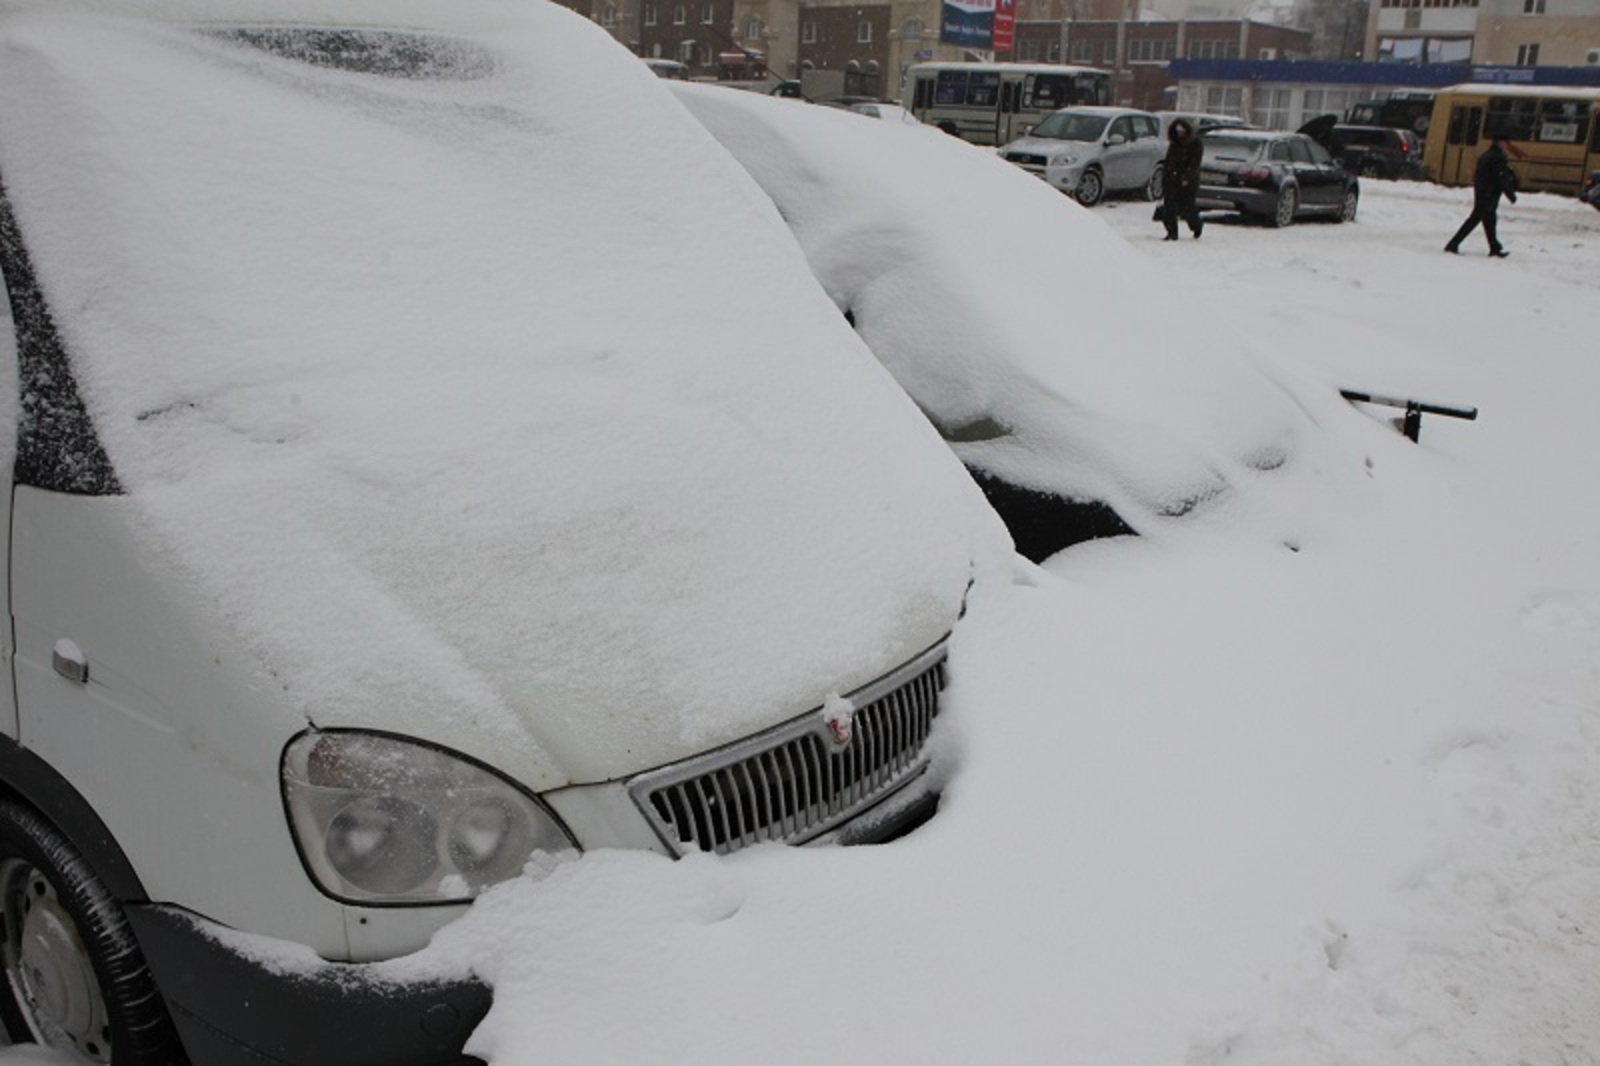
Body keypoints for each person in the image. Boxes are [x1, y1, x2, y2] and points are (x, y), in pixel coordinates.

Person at [1445, 133, 1518, 257]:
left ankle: (1494, 247)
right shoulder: (1497, 157)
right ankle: (1453, 244)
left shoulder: (1489, 155)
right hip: (1489, 194)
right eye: (1504, 142)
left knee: (1488, 221)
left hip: (1484, 192)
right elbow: (1500, 178)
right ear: (1499, 142)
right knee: (1476, 220)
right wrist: (1510, 194)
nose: (1506, 144)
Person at [1159, 118, 1204, 241]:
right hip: (1171, 182)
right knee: (1169, 209)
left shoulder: (1196, 144)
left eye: (1182, 131)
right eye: (1177, 131)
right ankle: (1172, 233)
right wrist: (1165, 178)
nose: (1179, 134)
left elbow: (1194, 164)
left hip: (1187, 183)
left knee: (1188, 209)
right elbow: (1168, 163)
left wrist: (1187, 178)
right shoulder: (1174, 144)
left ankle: (1197, 226)